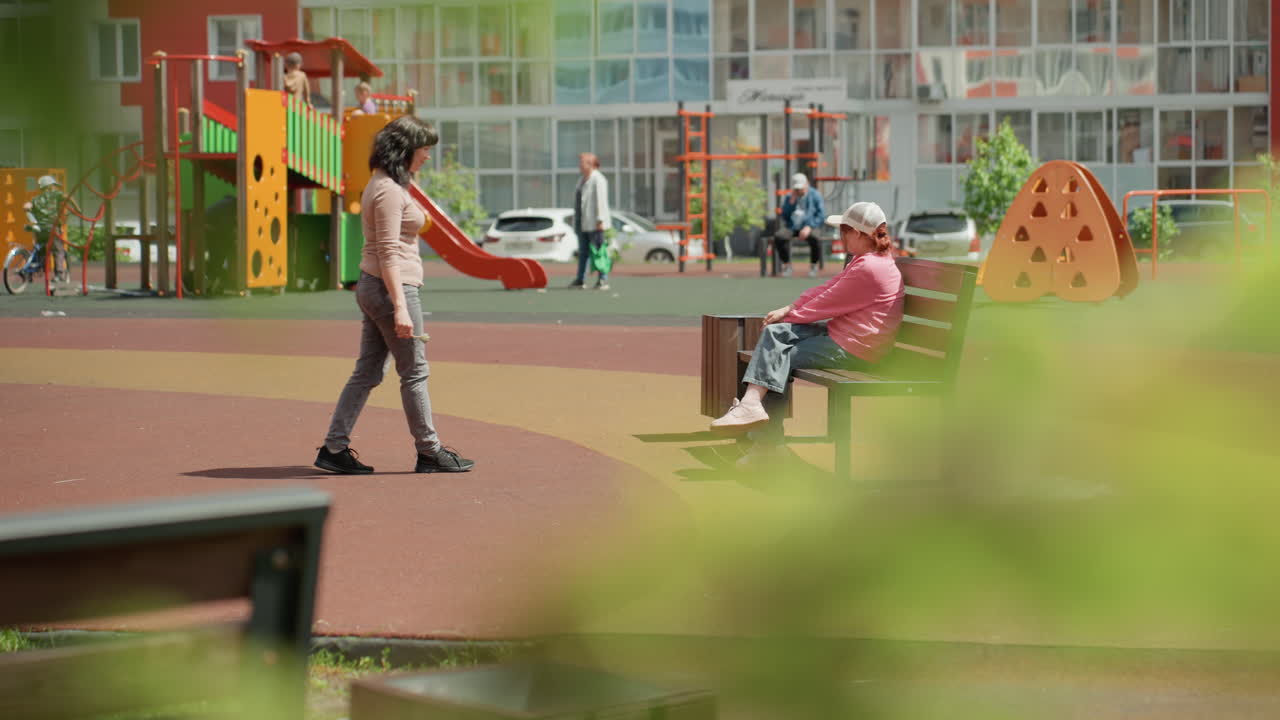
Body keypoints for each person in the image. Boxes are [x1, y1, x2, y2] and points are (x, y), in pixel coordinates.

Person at [316, 115, 475, 475]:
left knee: (368, 371)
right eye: (424, 150)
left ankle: (334, 447)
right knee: (415, 371)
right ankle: (430, 452)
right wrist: (401, 307)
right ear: (405, 150)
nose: (428, 156)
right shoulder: (387, 190)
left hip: (377, 287)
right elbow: (388, 251)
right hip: (392, 289)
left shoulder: (386, 184)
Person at [710, 202, 905, 466]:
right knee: (776, 336)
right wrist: (788, 309)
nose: (841, 237)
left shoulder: (871, 268)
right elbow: (827, 288)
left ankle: (765, 445)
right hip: (843, 336)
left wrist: (792, 316)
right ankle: (752, 408)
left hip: (856, 349)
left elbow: (828, 302)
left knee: (780, 357)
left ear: (860, 234)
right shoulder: (864, 260)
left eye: (844, 231)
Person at [570, 152, 612, 290]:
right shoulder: (581, 180)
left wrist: (600, 220)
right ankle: (580, 279)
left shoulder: (598, 179)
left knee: (598, 251)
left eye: (582, 162)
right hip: (582, 222)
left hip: (595, 223)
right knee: (583, 252)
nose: (580, 165)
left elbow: (601, 201)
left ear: (591, 164)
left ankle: (602, 279)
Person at [21, 175, 74, 280]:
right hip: (52, 228)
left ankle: (32, 270)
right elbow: (69, 197)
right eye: (54, 186)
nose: (55, 188)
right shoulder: (55, 195)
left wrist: (28, 208)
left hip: (40, 229)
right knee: (58, 250)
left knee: (41, 249)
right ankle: (59, 275)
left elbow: (27, 206)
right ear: (50, 187)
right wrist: (78, 209)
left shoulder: (35, 199)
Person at [774, 172, 825, 278]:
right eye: (796, 189)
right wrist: (790, 204)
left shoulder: (815, 195)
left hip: (810, 226)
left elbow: (821, 215)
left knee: (815, 238)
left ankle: (813, 265)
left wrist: (809, 226)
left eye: (801, 188)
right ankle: (787, 265)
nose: (799, 191)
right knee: (779, 237)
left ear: (806, 184)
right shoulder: (789, 197)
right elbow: (784, 216)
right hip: (792, 226)